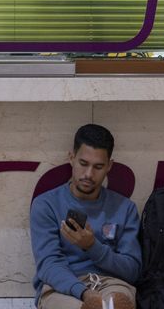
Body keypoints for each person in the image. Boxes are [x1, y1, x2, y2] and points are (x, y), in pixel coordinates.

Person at [30, 124, 141, 309]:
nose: (89, 174)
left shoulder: (125, 208)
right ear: (71, 158)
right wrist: (85, 293)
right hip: (62, 287)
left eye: (98, 166)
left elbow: (132, 271)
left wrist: (92, 246)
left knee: (120, 303)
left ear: (109, 166)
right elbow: (49, 264)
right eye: (83, 164)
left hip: (111, 283)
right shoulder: (46, 204)